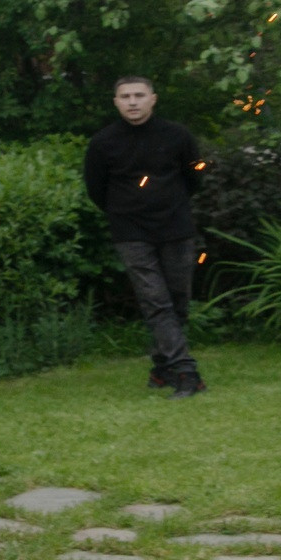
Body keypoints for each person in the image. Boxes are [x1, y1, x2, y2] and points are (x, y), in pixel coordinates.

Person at [82, 77, 207, 399]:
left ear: (153, 99)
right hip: (131, 232)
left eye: (139, 95)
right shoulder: (103, 142)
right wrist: (124, 212)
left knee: (178, 301)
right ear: (116, 102)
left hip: (176, 228)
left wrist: (171, 202)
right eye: (125, 96)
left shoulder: (178, 136)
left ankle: (162, 368)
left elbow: (195, 176)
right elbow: (96, 189)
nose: (133, 102)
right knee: (155, 301)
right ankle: (186, 373)